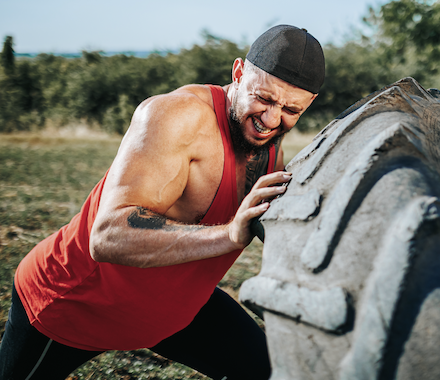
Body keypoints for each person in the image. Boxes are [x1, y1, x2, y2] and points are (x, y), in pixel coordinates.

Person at [0, 25, 325, 380]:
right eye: (263, 98)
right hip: (74, 304)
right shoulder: (175, 116)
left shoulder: (266, 140)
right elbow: (107, 235)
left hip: (174, 311)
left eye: (292, 109)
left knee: (271, 373)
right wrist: (230, 234)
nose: (272, 119)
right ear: (238, 73)